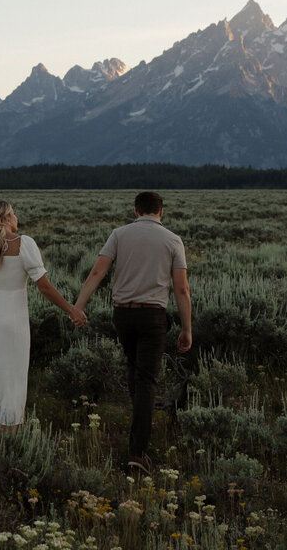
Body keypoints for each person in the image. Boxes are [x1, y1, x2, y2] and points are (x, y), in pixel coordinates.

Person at [73, 191, 191, 471]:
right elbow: (182, 289)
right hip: (153, 316)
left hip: (122, 314)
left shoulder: (119, 234)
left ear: (136, 211)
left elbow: (97, 272)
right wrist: (187, 329)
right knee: (147, 380)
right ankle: (137, 452)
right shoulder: (173, 240)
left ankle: (137, 429)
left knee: (134, 370)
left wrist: (78, 306)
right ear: (161, 212)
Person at [0, 200, 86, 428]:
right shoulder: (24, 244)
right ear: (6, 219)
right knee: (12, 377)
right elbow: (44, 287)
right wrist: (72, 310)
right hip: (12, 319)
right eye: (13, 213)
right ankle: (11, 432)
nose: (17, 217)